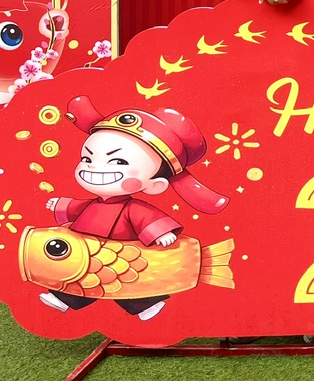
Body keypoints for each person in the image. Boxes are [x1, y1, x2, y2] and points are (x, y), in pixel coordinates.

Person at [39, 97, 229, 321]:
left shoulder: (133, 208)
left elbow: (147, 219)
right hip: (87, 250)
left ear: (155, 185)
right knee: (84, 276)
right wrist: (62, 204)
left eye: (118, 162)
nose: (93, 167)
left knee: (125, 280)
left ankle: (148, 304)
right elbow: (78, 207)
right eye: (86, 158)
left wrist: (161, 233)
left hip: (124, 251)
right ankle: (62, 298)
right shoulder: (94, 204)